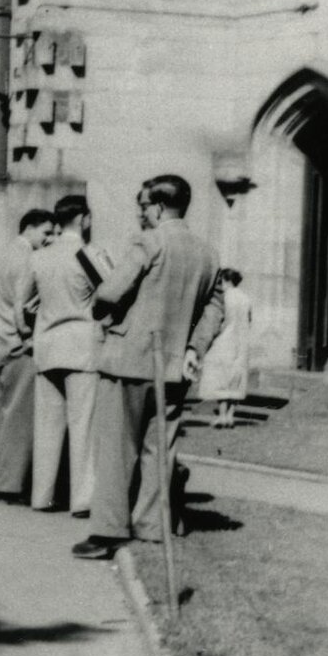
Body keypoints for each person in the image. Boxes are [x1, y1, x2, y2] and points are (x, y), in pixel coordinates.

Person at [73, 173, 223, 559]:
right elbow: (215, 309)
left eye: (143, 207)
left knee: (116, 449)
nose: (142, 214)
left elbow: (112, 290)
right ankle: (152, 526)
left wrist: (101, 305)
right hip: (173, 366)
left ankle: (108, 531)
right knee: (160, 449)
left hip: (127, 360)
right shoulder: (207, 252)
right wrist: (195, 347)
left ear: (157, 207)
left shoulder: (148, 241)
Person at [25, 190, 103, 515]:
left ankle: (42, 495)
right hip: (83, 347)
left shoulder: (39, 256)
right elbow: (112, 294)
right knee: (83, 426)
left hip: (47, 346)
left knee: (47, 426)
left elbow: (24, 304)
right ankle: (82, 499)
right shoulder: (89, 255)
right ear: (84, 219)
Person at [0, 207, 54, 503]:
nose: (49, 239)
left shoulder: (1, 255)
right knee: (18, 420)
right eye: (46, 233)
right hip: (16, 347)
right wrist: (28, 337)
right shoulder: (27, 258)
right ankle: (10, 485)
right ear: (30, 228)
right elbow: (22, 308)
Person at [198, 267, 252, 428]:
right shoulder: (245, 298)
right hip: (241, 341)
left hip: (223, 340)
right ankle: (230, 416)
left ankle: (222, 415)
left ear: (225, 280)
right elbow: (249, 320)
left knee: (221, 378)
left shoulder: (223, 297)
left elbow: (217, 320)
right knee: (236, 378)